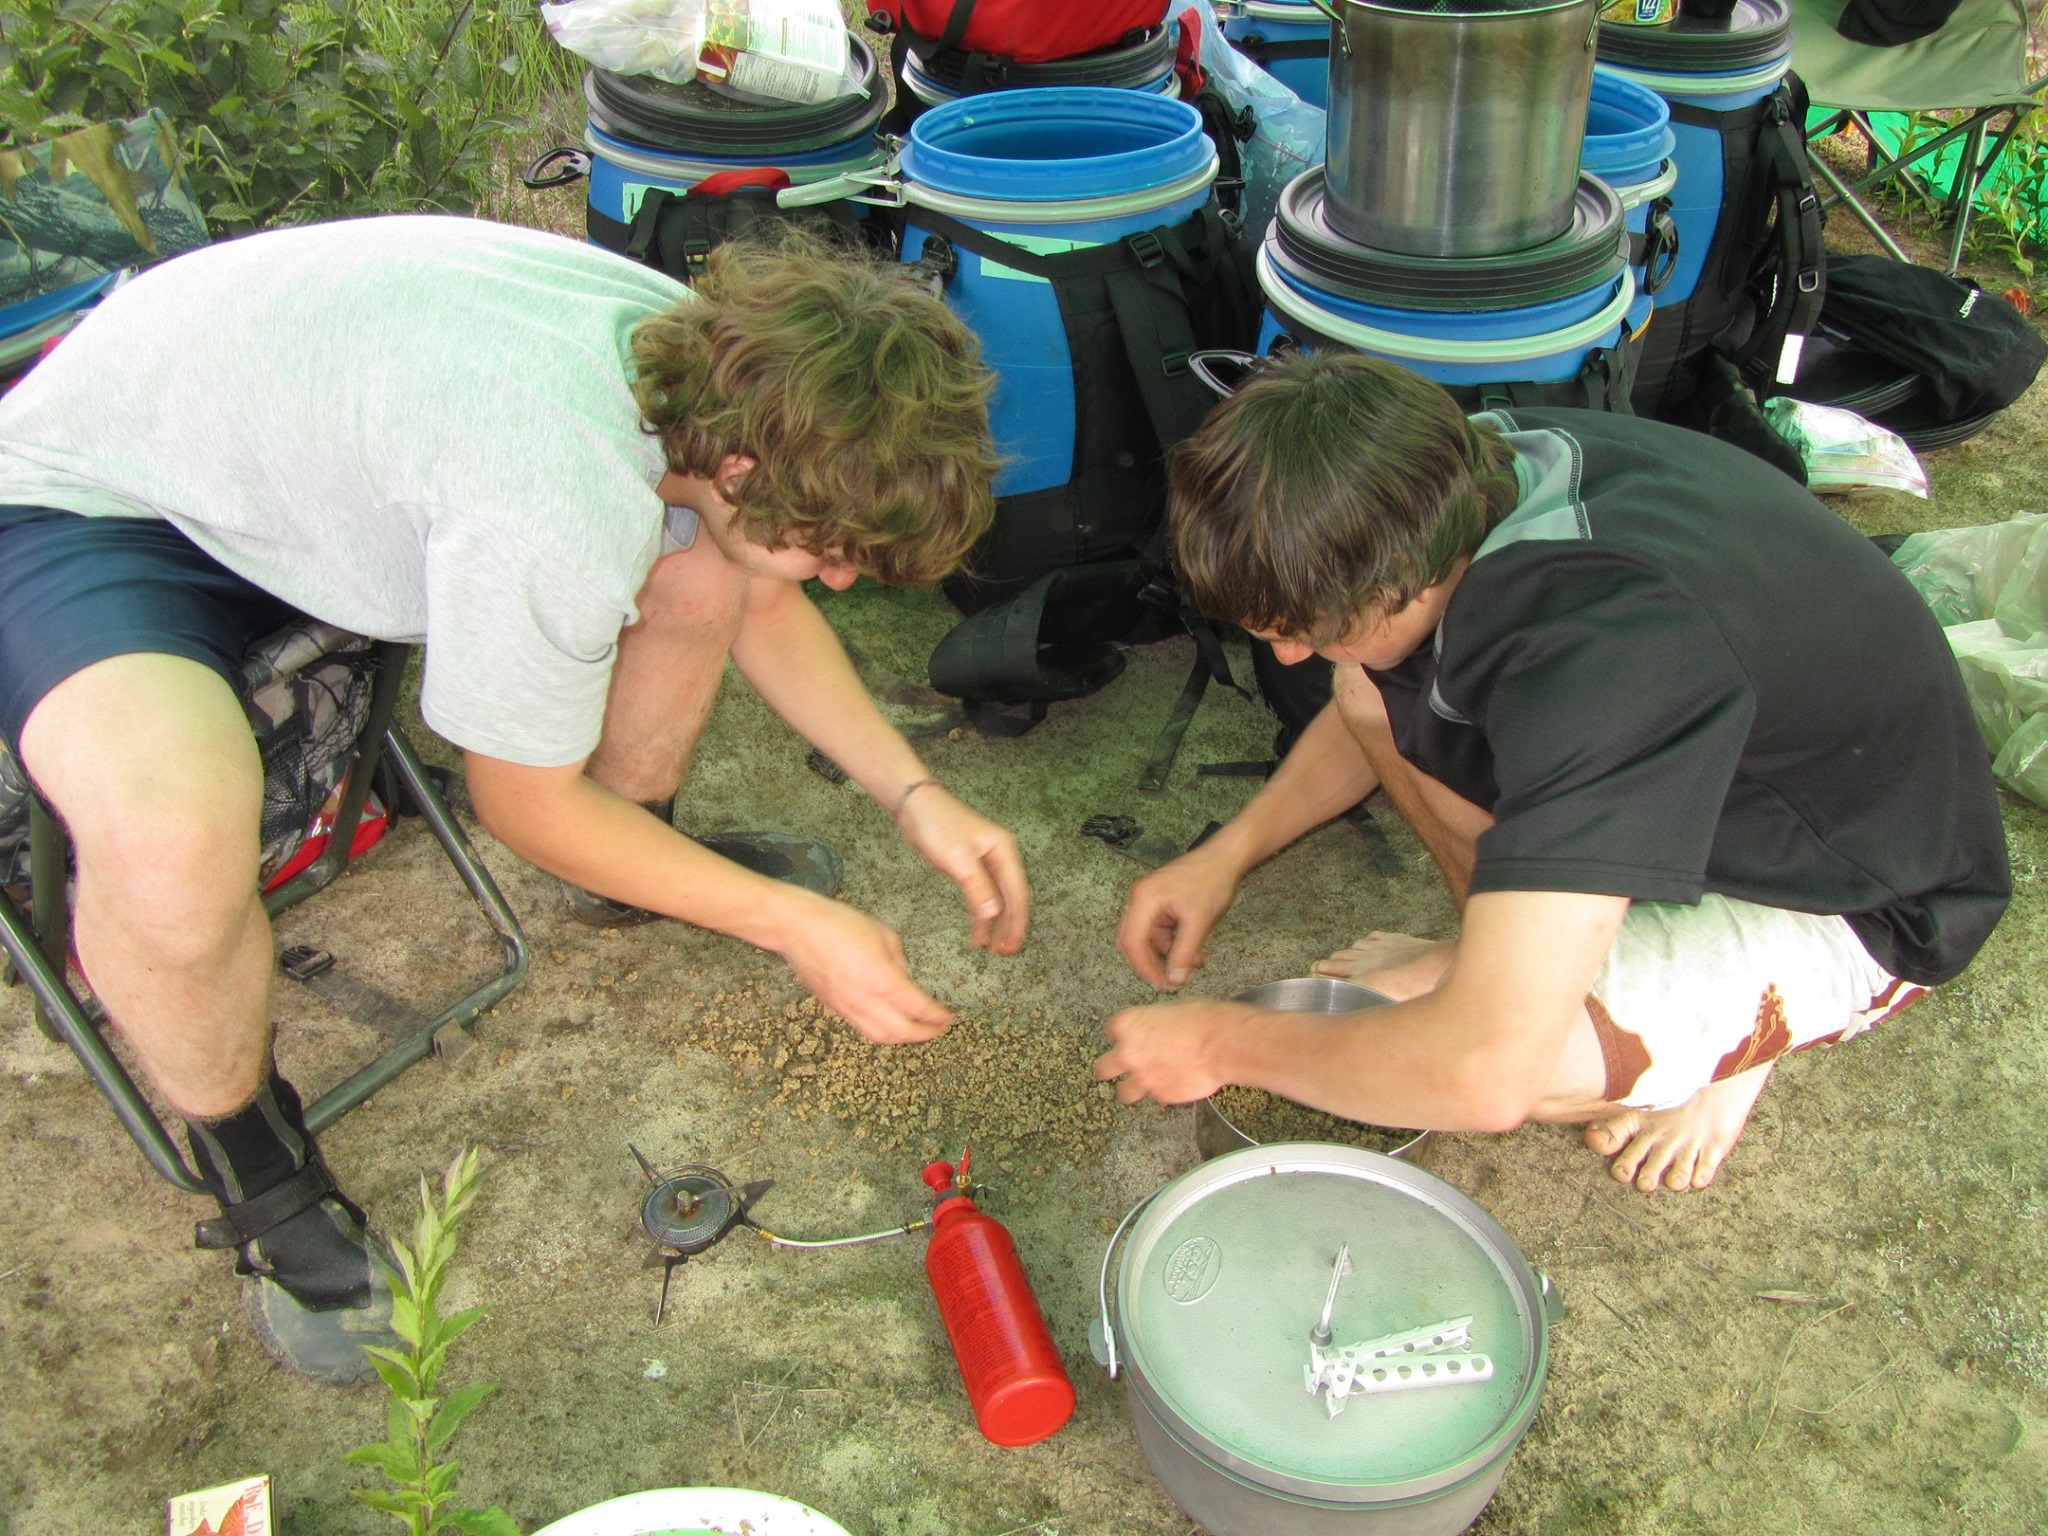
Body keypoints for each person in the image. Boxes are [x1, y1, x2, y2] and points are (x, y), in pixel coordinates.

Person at [0, 215, 1027, 1382]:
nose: (839, 577)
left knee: (710, 567)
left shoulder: (724, 374)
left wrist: (912, 792)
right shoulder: (553, 481)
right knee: (171, 836)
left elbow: (764, 593)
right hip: (95, 504)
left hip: (283, 470)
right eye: (831, 550)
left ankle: (638, 867)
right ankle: (257, 1171)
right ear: (747, 471)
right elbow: (520, 807)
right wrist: (794, 924)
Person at [1095, 350, 2009, 1195]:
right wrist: (1227, 854)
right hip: (1716, 762)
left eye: (1304, 627)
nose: (1286, 656)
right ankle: (1520, 959)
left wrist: (1223, 1043)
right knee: (1364, 684)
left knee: (1525, 1067)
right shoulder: (1443, 471)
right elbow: (1364, 689)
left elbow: (1486, 1079)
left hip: (1856, 892)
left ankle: (1736, 1046)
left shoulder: (1603, 659)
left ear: (1404, 572)